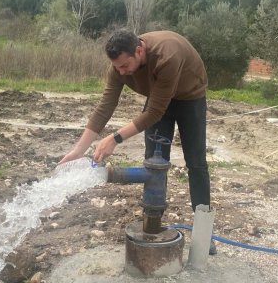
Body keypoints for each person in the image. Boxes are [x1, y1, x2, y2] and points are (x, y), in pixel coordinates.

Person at [59, 28, 211, 211]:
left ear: (139, 51)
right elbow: (105, 107)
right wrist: (78, 150)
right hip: (158, 96)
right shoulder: (118, 67)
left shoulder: (167, 56)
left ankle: (202, 224)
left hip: (189, 97)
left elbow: (154, 113)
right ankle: (153, 218)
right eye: (117, 67)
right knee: (154, 161)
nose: (121, 72)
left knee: (196, 163)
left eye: (124, 66)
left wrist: (115, 138)